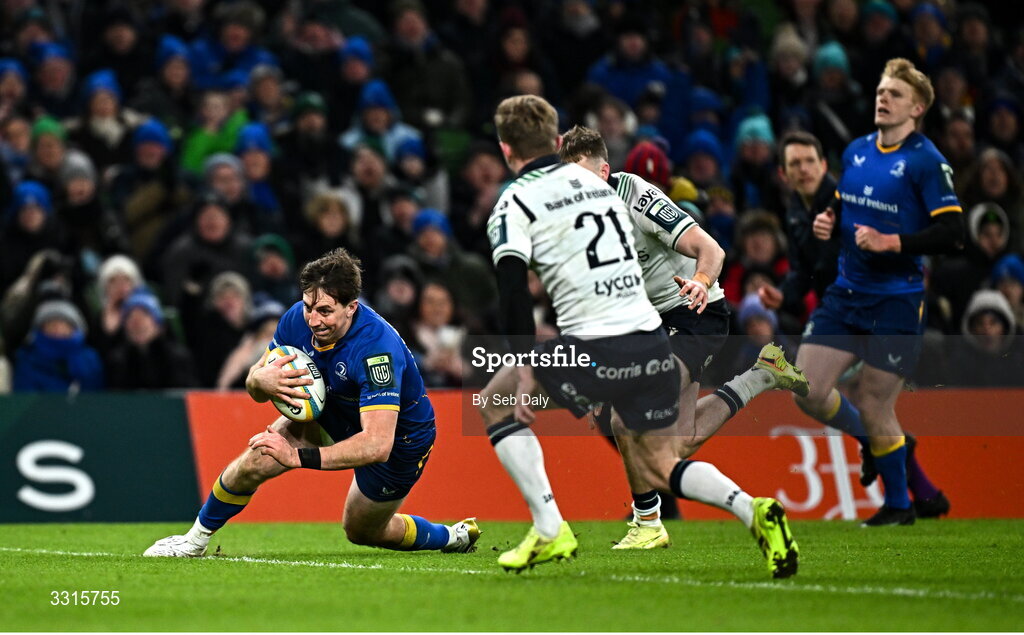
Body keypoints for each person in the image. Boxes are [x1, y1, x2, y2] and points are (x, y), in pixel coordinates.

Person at [479, 95, 793, 576]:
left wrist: (528, 366)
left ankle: (549, 526)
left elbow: (515, 293)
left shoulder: (523, 201)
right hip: (644, 333)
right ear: (557, 142)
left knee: (496, 400)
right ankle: (748, 509)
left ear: (505, 149)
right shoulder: (601, 194)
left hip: (658, 324)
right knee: (660, 456)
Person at [559, 126, 804, 577]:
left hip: (693, 313)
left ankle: (653, 522)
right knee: (677, 443)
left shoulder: (636, 197)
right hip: (648, 327)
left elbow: (709, 248)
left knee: (628, 415)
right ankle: (761, 375)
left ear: (606, 173)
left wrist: (702, 281)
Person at [144, 248, 479, 557]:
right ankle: (194, 541)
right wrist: (258, 379)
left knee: (362, 531)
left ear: (351, 307)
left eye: (325, 311)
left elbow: (377, 444)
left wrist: (297, 457)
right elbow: (255, 384)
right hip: (332, 408)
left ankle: (451, 537)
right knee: (258, 457)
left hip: (400, 439)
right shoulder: (295, 320)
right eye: (308, 306)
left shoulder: (377, 350)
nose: (314, 320)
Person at [798, 58, 964, 526]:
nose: (882, 98)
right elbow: (842, 200)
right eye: (880, 91)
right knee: (806, 388)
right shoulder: (855, 151)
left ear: (918, 107)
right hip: (847, 292)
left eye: (894, 94)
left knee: (874, 401)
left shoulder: (927, 162)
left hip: (896, 299)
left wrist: (895, 242)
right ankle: (887, 445)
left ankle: (898, 504)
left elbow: (953, 233)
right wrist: (827, 219)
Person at [762, 131, 951, 516]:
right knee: (815, 394)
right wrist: (786, 296)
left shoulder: (849, 196)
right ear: (784, 173)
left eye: (809, 160)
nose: (803, 169)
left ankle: (904, 501)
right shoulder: (796, 209)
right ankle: (925, 494)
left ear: (823, 164)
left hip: (880, 306)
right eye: (794, 163)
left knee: (871, 403)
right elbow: (804, 270)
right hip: (840, 311)